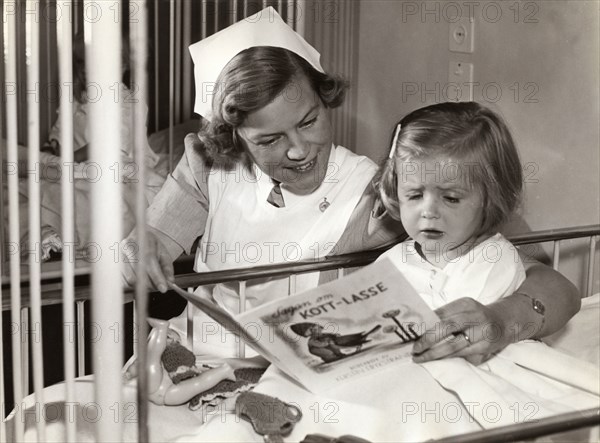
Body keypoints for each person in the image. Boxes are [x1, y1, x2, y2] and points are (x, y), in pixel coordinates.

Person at [122, 7, 579, 363]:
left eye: (309, 121)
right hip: (197, 352)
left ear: (326, 98)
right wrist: (139, 251)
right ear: (233, 135)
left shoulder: (385, 189)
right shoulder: (210, 167)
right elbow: (153, 241)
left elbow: (548, 279)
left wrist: (503, 320)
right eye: (271, 139)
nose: (299, 150)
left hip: (297, 372)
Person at [375, 101, 532, 361]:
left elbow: (457, 342)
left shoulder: (494, 260)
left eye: (450, 198)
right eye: (414, 195)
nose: (429, 211)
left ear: (490, 198)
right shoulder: (391, 260)